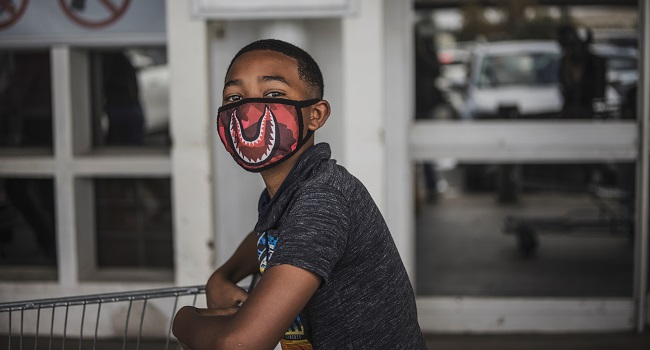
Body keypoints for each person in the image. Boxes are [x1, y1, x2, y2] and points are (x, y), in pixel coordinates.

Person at [172, 39, 426, 350]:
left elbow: (239, 345)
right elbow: (271, 236)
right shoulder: (291, 191)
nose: (248, 111)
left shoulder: (323, 199)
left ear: (315, 115)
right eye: (234, 97)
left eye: (274, 94)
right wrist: (223, 276)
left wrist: (183, 319)